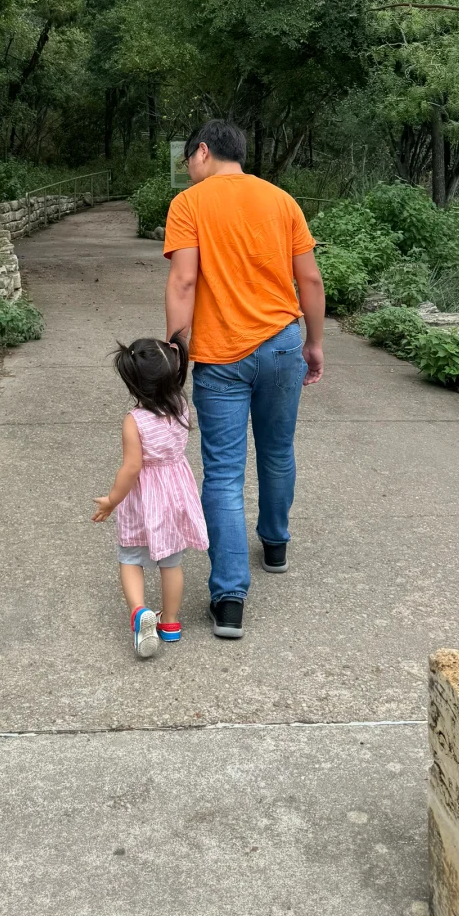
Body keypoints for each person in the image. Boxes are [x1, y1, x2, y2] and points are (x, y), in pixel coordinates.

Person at [163, 119, 325, 641]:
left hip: (221, 356)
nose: (189, 169)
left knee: (223, 475)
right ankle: (275, 545)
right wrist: (314, 343)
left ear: (202, 152)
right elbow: (310, 279)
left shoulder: (189, 204)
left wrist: (175, 354)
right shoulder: (282, 201)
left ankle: (229, 600)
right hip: (282, 346)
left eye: (189, 160)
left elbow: (184, 281)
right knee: (278, 451)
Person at [92, 335, 209, 658]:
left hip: (143, 500)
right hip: (175, 493)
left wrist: (112, 500)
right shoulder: (181, 407)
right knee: (171, 562)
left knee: (131, 556)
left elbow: (132, 468)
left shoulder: (135, 421)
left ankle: (140, 611)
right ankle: (170, 622)